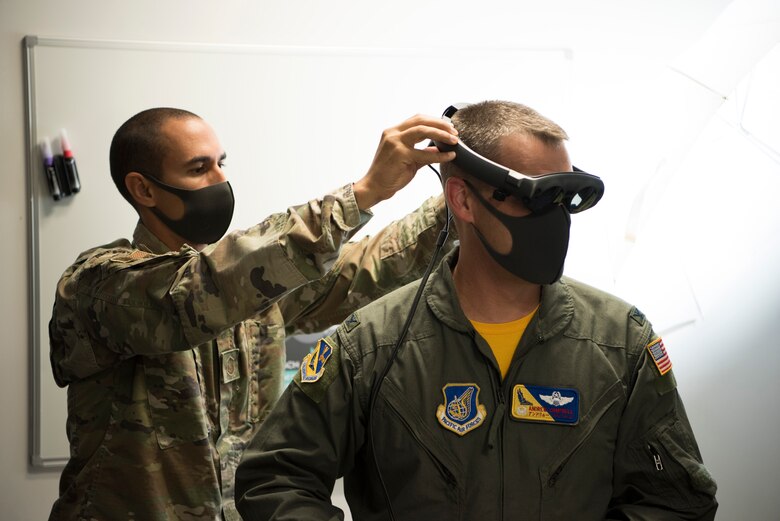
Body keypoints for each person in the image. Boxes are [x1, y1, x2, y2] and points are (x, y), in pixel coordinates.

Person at [235, 100, 719, 520]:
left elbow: (677, 500)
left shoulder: (620, 340)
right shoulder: (372, 344)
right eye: (535, 198)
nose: (553, 220)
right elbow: (276, 479)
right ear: (463, 200)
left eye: (564, 199)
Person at [47, 107, 460, 521]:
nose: (220, 180)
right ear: (144, 189)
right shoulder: (99, 286)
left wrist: (457, 204)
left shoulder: (249, 290)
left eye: (220, 163)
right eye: (198, 168)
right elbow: (189, 297)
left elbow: (366, 269)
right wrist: (364, 192)